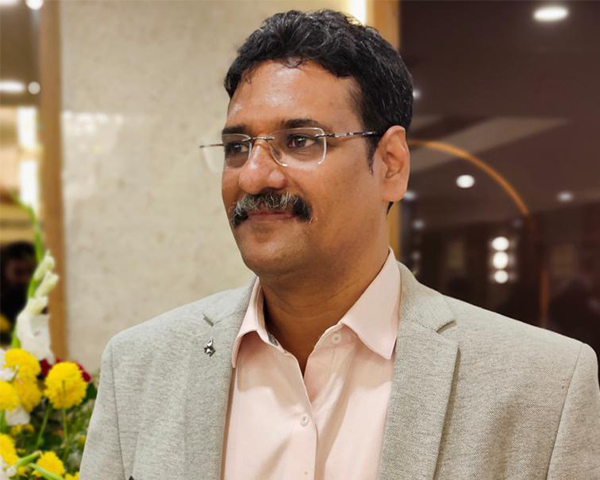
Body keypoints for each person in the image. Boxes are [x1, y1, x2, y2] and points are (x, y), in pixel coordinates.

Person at [80, 10, 600, 480]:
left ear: (390, 165)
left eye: (300, 140)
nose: (254, 176)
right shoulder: (141, 367)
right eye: (238, 147)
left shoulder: (541, 387)